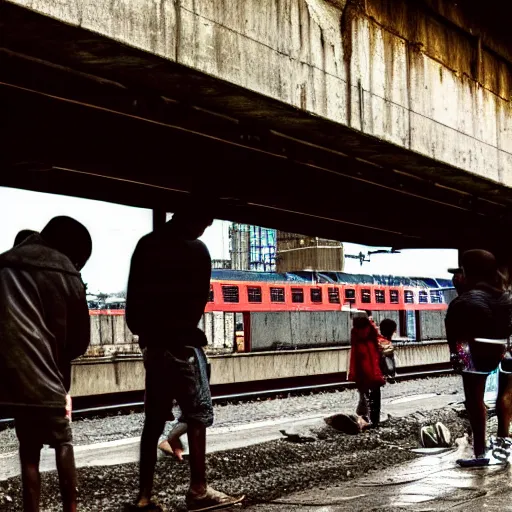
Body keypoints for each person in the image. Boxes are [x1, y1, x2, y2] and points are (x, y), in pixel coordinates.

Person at [126, 202, 243, 511]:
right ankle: (198, 490)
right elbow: (194, 307)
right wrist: (182, 331)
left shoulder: (147, 244)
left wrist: (154, 333)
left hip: (154, 347)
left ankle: (144, 497)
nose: (204, 230)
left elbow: (134, 312)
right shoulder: (197, 251)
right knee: (197, 417)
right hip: (183, 348)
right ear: (195, 219)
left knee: (153, 423)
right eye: (204, 223)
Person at [0, 216, 92, 512]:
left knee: (29, 452)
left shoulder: (4, 264)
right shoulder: (66, 270)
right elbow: (80, 341)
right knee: (62, 442)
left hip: (11, 379)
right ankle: (71, 508)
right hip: (49, 377)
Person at [445, 249, 512, 467]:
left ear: (467, 272)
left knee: (475, 402)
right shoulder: (507, 298)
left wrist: (459, 360)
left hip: (476, 354)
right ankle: (503, 446)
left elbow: (458, 340)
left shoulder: (462, 302)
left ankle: (480, 453)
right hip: (506, 351)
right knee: (506, 397)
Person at [348, 314, 386, 428]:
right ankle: (374, 422)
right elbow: (377, 359)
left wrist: (355, 377)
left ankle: (368, 421)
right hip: (373, 376)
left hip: (364, 376)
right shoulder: (372, 338)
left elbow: (354, 361)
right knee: (374, 401)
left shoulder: (357, 340)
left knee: (367, 400)